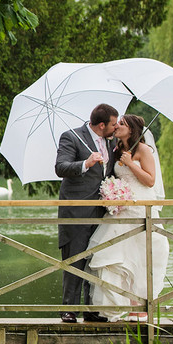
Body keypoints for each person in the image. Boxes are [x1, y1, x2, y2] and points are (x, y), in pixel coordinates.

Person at [87, 114, 169, 322]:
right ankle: (115, 307)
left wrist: (131, 164)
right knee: (114, 255)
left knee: (140, 257)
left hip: (140, 209)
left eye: (121, 124)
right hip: (121, 210)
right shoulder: (117, 150)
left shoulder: (143, 150)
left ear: (132, 129)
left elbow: (150, 181)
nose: (117, 127)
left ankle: (139, 309)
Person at [54, 103, 118, 324]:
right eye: (113, 124)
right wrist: (85, 163)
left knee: (96, 259)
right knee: (75, 258)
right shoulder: (71, 137)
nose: (116, 127)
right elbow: (60, 167)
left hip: (103, 211)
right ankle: (69, 309)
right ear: (101, 125)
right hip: (77, 210)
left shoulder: (113, 142)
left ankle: (92, 309)